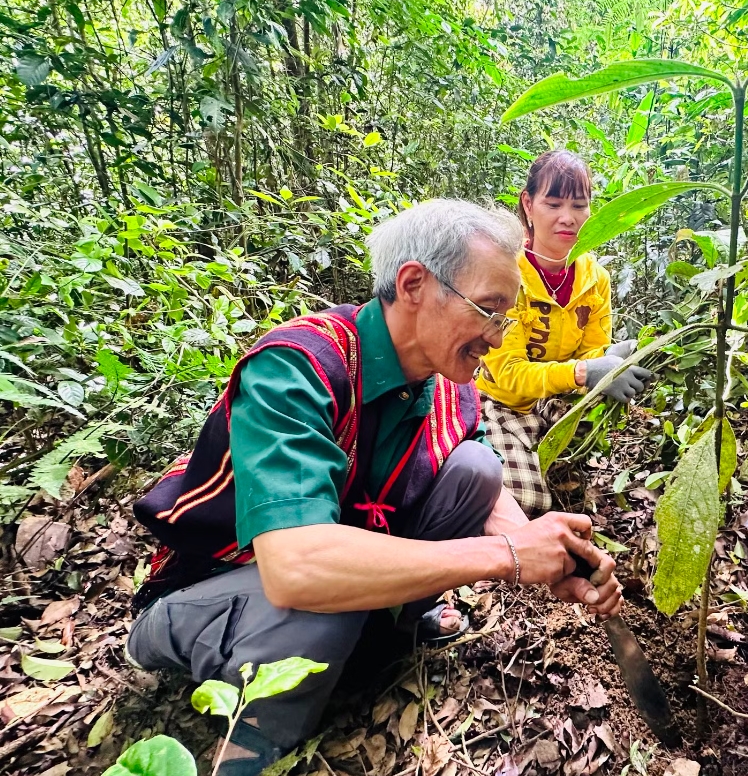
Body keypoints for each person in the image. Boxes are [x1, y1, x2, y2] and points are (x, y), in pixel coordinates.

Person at [124, 199, 623, 776]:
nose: (497, 334)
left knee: (477, 473)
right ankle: (253, 753)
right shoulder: (299, 365)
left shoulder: (445, 385)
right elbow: (297, 565)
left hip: (325, 583)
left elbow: (487, 491)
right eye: (488, 310)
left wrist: (546, 550)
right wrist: (507, 556)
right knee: (320, 586)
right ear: (414, 284)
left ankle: (381, 639)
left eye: (505, 316)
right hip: (208, 593)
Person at [477, 151, 653, 515]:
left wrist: (611, 358)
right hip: (502, 402)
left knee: (584, 436)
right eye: (553, 203)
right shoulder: (507, 274)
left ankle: (562, 478)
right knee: (526, 501)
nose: (567, 218)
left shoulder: (595, 280)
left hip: (558, 398)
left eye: (579, 205)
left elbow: (592, 354)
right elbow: (507, 375)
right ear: (528, 204)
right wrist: (587, 371)